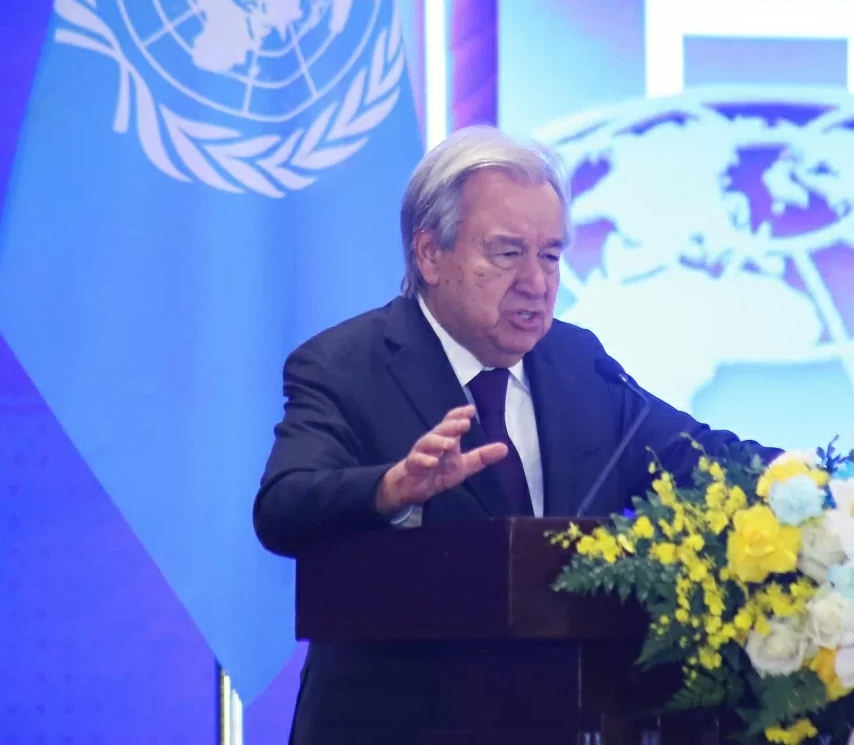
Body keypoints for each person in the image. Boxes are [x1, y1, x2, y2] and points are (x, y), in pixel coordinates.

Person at [252, 125, 770, 744]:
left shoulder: (578, 362)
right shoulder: (346, 365)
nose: (536, 281)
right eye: (506, 253)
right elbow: (283, 506)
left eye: (550, 254)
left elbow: (702, 457)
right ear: (429, 253)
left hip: (562, 720)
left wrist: (834, 486)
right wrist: (392, 490)